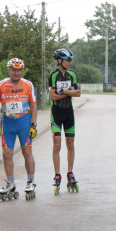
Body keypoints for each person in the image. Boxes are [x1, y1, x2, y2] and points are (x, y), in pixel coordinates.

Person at [0, 58, 38, 201]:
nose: (17, 72)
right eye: (14, 70)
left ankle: (30, 182)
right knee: (6, 154)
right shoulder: (1, 85)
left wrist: (34, 125)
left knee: (27, 152)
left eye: (19, 70)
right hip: (8, 123)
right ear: (9, 70)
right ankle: (10, 183)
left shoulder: (28, 84)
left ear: (22, 71)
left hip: (24, 122)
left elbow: (33, 105)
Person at [49, 49, 82, 193]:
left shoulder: (72, 74)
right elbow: (53, 97)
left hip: (69, 113)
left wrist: (62, 91)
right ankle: (57, 174)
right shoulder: (53, 75)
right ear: (60, 61)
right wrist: (70, 91)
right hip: (56, 113)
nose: (70, 62)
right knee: (57, 145)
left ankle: (70, 173)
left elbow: (78, 93)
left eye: (71, 60)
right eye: (68, 60)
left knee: (71, 144)